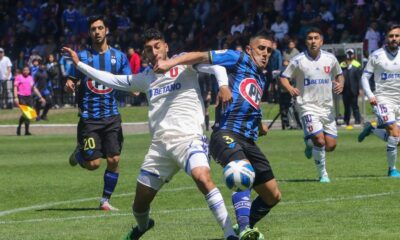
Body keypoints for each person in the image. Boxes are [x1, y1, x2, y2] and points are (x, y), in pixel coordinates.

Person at [63, 28, 238, 240]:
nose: (154, 52)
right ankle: (143, 227)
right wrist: (79, 65)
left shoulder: (184, 63)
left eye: (157, 46)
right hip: (159, 148)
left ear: (166, 46)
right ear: (144, 53)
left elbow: (217, 66)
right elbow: (109, 79)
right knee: (139, 206)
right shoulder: (145, 78)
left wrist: (224, 86)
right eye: (149, 49)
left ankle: (230, 234)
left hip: (189, 139)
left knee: (202, 177)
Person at [154, 33, 282, 240]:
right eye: (261, 48)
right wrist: (170, 62)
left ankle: (242, 228)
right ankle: (245, 228)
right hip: (225, 133)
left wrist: (260, 125)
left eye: (269, 50)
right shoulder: (238, 58)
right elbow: (201, 56)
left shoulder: (261, 76)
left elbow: (251, 103)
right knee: (241, 169)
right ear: (249, 50)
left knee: (272, 195)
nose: (265, 53)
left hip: (248, 140)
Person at [65, 15, 132, 211]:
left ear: (106, 30)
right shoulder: (82, 57)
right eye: (93, 29)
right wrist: (70, 84)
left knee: (114, 159)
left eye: (100, 28)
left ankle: (105, 201)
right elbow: (71, 79)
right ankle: (80, 154)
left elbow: (128, 79)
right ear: (90, 33)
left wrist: (135, 87)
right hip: (89, 118)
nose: (97, 32)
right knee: (93, 164)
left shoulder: (119, 57)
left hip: (111, 116)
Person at [280, 27, 344, 183]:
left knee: (330, 145)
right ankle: (323, 174)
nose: (313, 41)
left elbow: (339, 74)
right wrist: (290, 88)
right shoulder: (298, 60)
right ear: (306, 42)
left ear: (321, 41)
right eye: (310, 38)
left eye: (316, 38)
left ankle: (308, 143)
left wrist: (340, 85)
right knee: (319, 140)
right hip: (307, 105)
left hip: (327, 107)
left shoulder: (330, 59)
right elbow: (283, 77)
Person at [358, 24, 400, 178]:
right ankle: (392, 169)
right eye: (391, 36)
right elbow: (364, 77)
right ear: (386, 37)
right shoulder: (376, 55)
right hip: (383, 100)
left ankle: (372, 130)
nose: (394, 39)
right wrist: (370, 95)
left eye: (397, 36)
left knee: (397, 139)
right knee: (394, 133)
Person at [13, 66, 45, 135]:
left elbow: (34, 88)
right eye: (24, 70)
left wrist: (40, 97)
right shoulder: (19, 77)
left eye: (27, 70)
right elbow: (15, 87)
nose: (26, 71)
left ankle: (24, 130)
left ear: (29, 71)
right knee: (27, 113)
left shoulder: (30, 78)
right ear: (22, 71)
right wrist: (16, 97)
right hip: (21, 97)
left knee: (28, 114)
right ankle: (23, 129)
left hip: (29, 97)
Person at [340, 48, 362, 126]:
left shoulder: (357, 65)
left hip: (354, 89)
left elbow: (359, 78)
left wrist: (360, 88)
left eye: (350, 54)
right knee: (346, 107)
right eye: (347, 54)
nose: (349, 56)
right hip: (345, 90)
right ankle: (346, 121)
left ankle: (357, 121)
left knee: (355, 106)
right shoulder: (342, 65)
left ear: (353, 55)